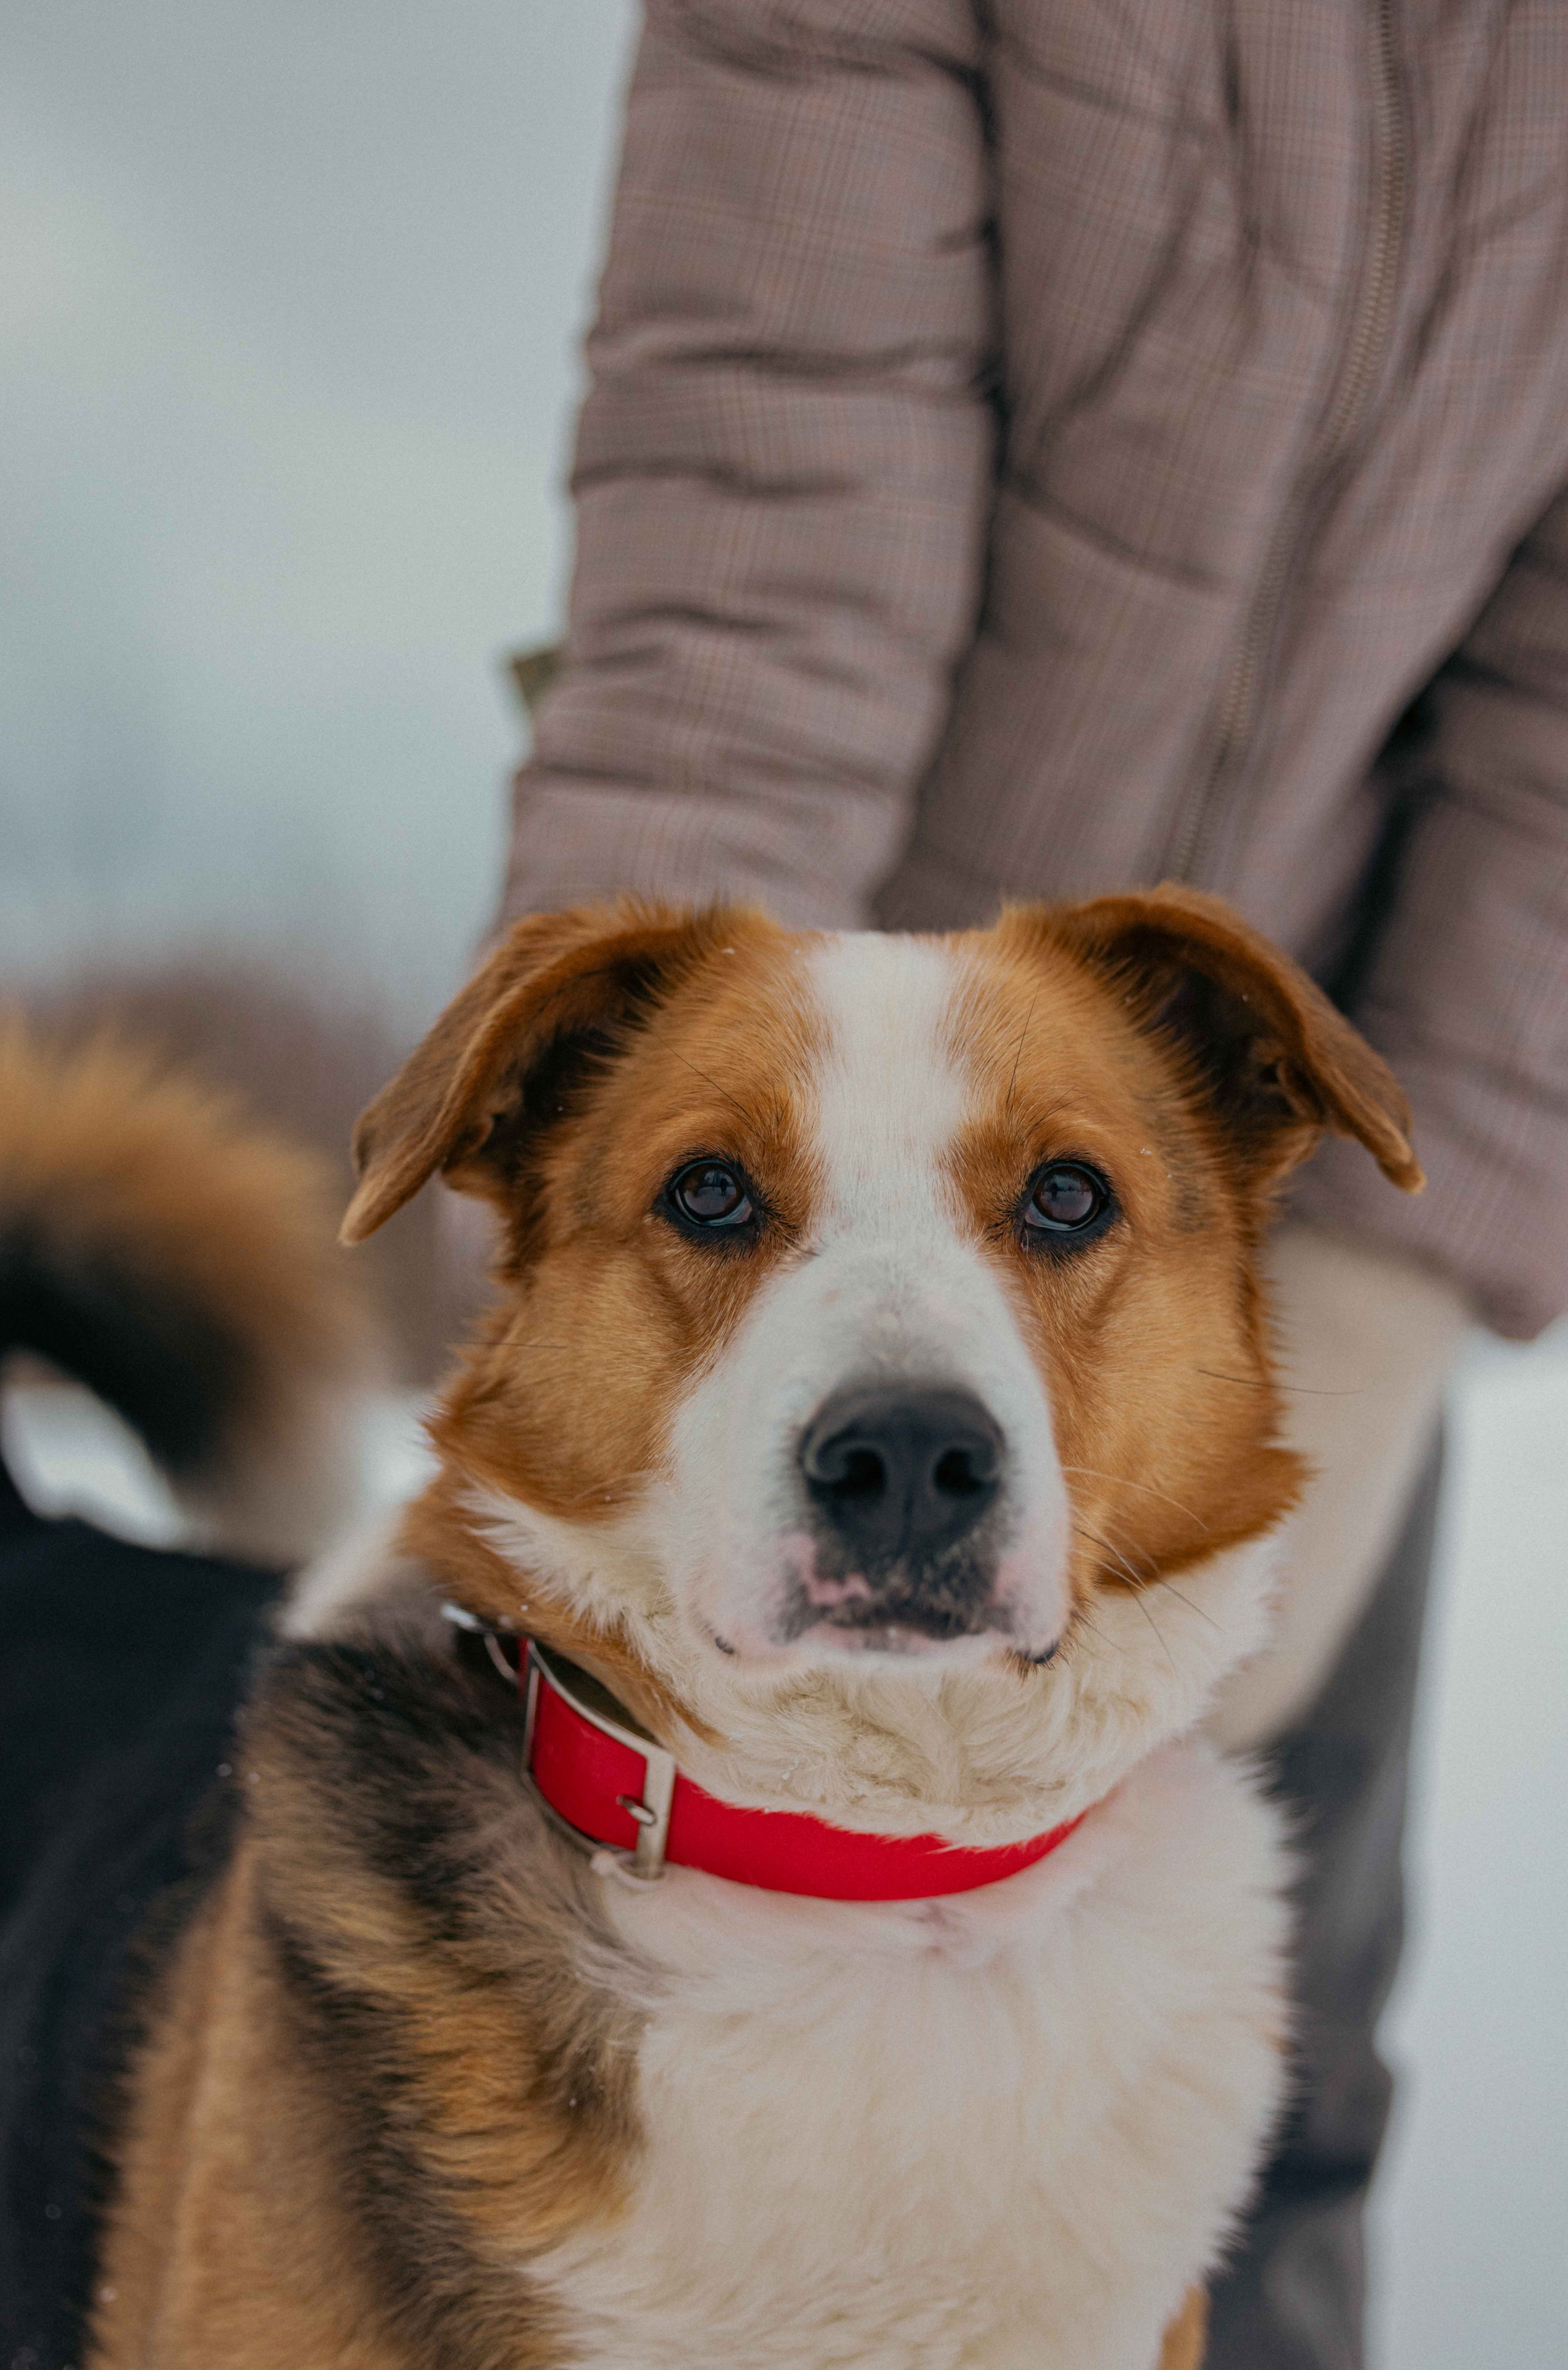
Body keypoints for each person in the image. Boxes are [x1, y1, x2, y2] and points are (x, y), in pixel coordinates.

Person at [492, 9, 1568, 2363]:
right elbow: (764, 554)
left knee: (1258, 2090)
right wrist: (690, 1200)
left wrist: (1379, 1301)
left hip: (1248, 1199)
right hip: (822, 1068)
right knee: (560, 2024)